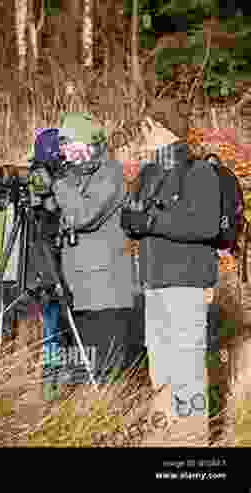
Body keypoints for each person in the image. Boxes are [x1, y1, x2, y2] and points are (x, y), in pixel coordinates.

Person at [121, 133, 220, 446]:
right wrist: (132, 221)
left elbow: (205, 225)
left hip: (187, 283)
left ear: (170, 132)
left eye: (150, 125)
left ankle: (191, 440)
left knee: (187, 367)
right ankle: (163, 435)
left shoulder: (200, 172)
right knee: (160, 362)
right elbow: (131, 215)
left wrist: (151, 220)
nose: (144, 132)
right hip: (153, 283)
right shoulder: (149, 172)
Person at [51, 113, 138, 387]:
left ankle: (112, 420)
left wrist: (57, 184)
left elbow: (84, 215)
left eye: (67, 143)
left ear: (87, 144)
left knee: (106, 372)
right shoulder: (75, 177)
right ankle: (89, 419)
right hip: (81, 289)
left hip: (106, 292)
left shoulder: (110, 174)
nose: (63, 151)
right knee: (86, 369)